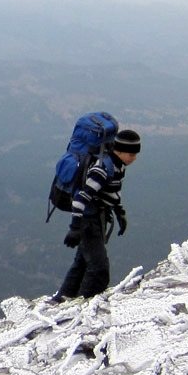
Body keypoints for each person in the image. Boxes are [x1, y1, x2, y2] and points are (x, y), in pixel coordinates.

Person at [53, 129, 141, 301]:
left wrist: (119, 212)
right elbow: (81, 198)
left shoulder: (118, 166)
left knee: (82, 262)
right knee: (98, 269)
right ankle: (86, 304)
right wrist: (75, 228)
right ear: (119, 150)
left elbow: (112, 193)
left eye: (136, 154)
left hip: (98, 217)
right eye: (131, 154)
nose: (134, 158)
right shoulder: (102, 168)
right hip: (88, 221)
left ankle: (62, 298)